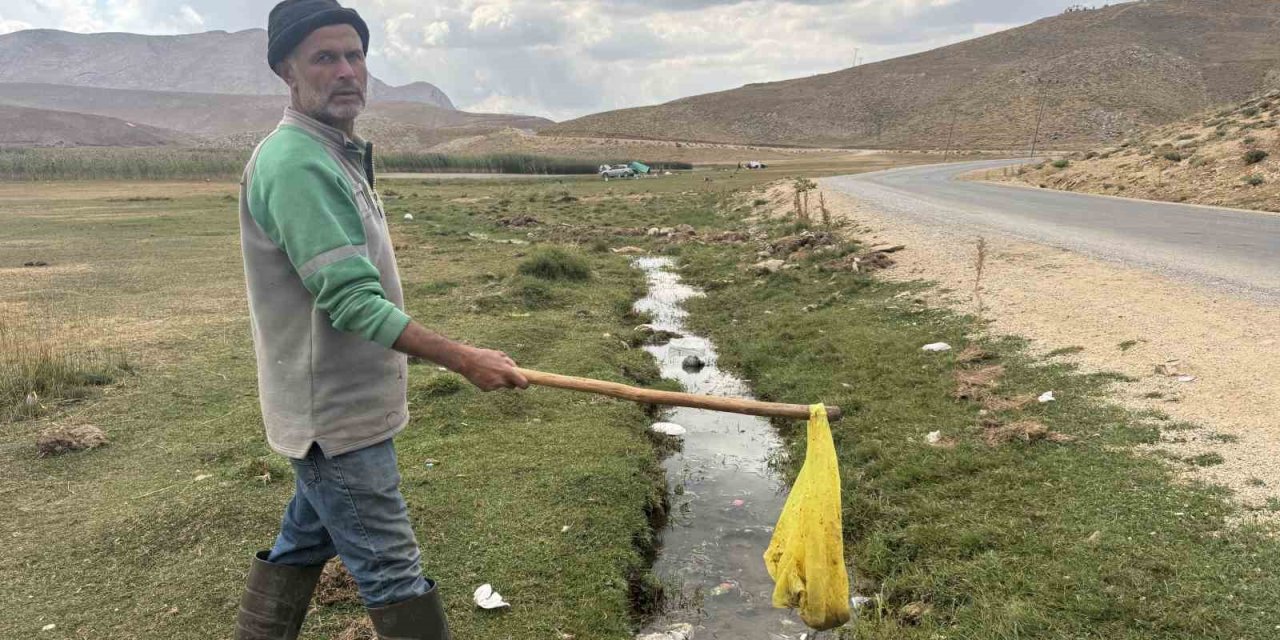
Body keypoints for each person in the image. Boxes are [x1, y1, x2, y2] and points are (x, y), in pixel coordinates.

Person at [234, 1, 528, 638]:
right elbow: (352, 301)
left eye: (355, 55)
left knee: (301, 545)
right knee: (393, 573)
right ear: (287, 69)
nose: (346, 71)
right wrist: (464, 357)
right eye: (325, 57)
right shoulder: (297, 163)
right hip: (336, 418)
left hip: (340, 407)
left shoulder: (330, 151)